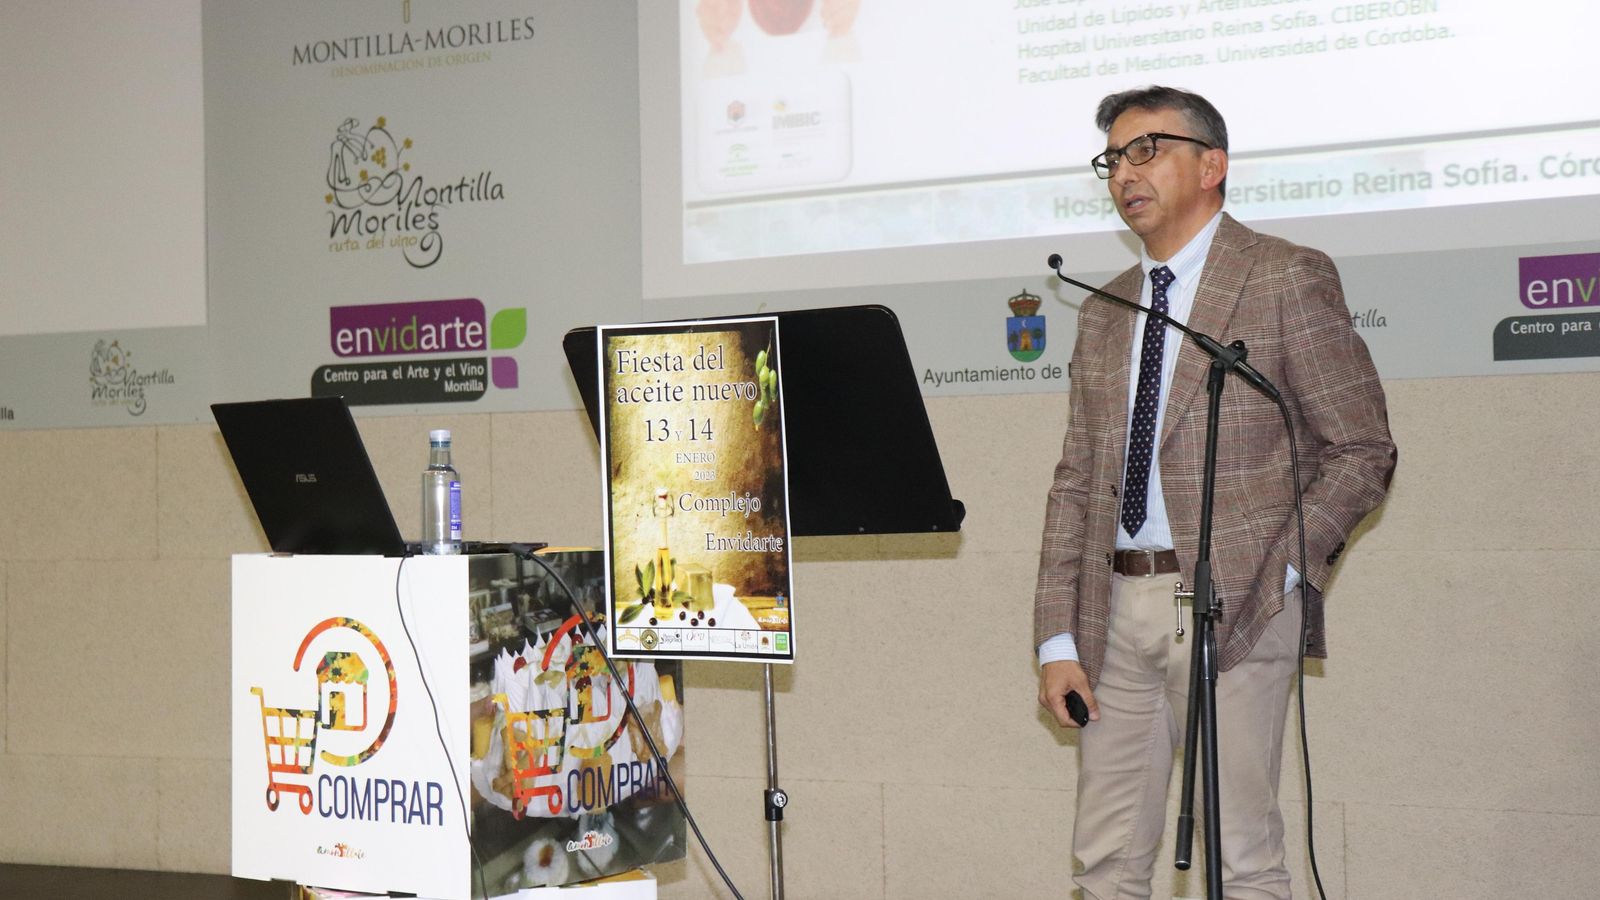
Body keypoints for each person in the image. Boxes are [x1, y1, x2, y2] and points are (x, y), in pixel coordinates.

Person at [1034, 86, 1397, 899]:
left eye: (1146, 150)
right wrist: (1056, 640)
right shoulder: (1107, 309)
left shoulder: (1283, 277)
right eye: (1113, 159)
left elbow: (1361, 447)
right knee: (1105, 860)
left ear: (1212, 165)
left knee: (1242, 858)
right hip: (1112, 613)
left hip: (1235, 604)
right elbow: (1077, 481)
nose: (1125, 173)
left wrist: (1282, 578)